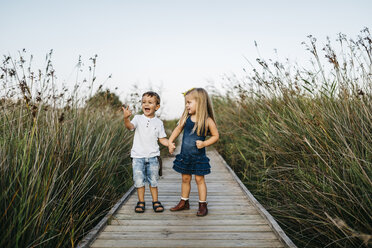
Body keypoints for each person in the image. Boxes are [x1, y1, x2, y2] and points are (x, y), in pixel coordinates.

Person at [168, 88, 219, 216]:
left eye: (189, 102)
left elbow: (215, 135)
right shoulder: (186, 118)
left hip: (198, 157)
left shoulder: (207, 120)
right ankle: (184, 202)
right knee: (185, 178)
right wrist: (170, 141)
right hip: (185, 156)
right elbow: (178, 129)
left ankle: (203, 204)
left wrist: (204, 143)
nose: (186, 105)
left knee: (199, 179)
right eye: (186, 102)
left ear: (200, 102)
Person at [123, 91, 172, 213]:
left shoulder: (158, 122)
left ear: (157, 107)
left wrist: (169, 143)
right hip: (138, 157)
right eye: (144, 102)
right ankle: (141, 201)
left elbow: (162, 139)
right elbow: (130, 127)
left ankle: (155, 201)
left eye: (150, 102)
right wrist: (126, 118)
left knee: (153, 181)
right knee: (139, 181)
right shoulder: (138, 118)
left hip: (153, 158)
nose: (146, 104)